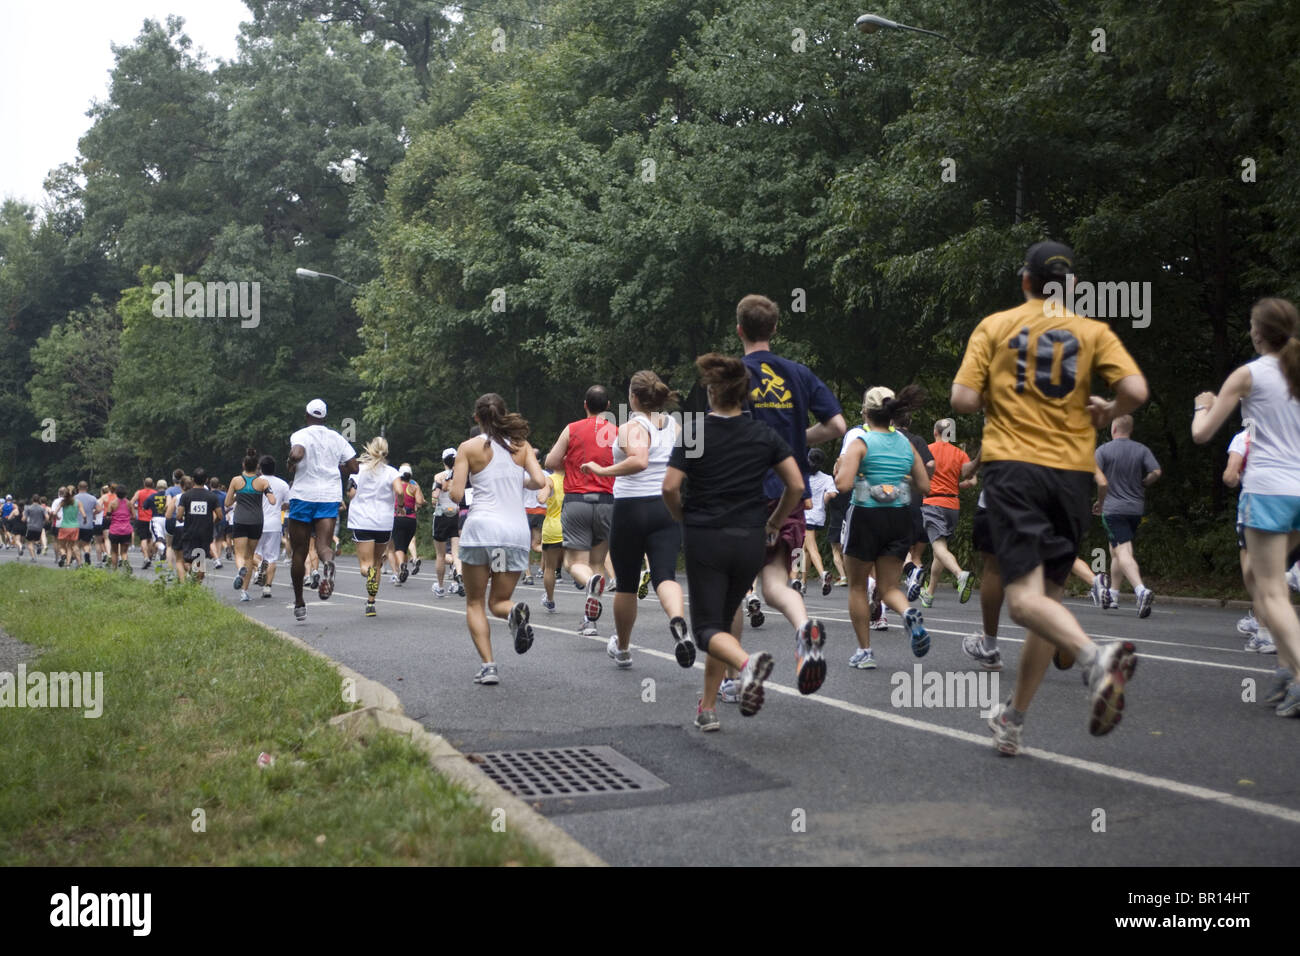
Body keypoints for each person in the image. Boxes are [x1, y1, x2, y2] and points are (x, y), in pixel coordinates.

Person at [951, 240, 1147, 755]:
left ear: (1025, 281)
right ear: (1073, 287)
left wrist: (997, 394)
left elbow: (962, 400)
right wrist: (1105, 408)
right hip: (1073, 478)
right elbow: (1137, 392)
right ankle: (1013, 721)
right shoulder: (1092, 331)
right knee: (1048, 602)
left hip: (1015, 470)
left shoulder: (995, 327)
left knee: (1023, 601)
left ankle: (1093, 657)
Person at [664, 354, 804, 731]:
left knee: (706, 630)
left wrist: (681, 516)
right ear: (744, 396)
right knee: (722, 622)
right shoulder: (764, 434)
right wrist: (774, 521)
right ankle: (707, 708)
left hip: (706, 537)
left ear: (711, 392)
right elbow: (796, 486)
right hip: (750, 539)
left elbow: (670, 487)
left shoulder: (693, 431)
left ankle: (746, 665)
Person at [1191, 297, 1300, 716]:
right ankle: (1287, 670)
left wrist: (1202, 405)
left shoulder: (1249, 374)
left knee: (1268, 588)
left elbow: (1202, 434)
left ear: (1257, 333)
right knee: (1268, 579)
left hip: (1269, 489)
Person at [734, 294, 846, 696]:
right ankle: (803, 629)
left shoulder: (734, 375)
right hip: (789, 491)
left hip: (746, 492)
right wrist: (796, 442)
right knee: (776, 581)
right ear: (776, 328)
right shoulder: (797, 373)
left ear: (739, 329)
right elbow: (836, 424)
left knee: (733, 589)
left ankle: (733, 678)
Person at [579, 370, 694, 670]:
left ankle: (624, 648)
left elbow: (639, 459)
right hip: (665, 508)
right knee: (664, 576)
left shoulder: (631, 426)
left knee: (628, 584)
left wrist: (600, 471)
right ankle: (678, 621)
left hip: (630, 509)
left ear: (633, 397)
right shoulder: (675, 427)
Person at [451, 393, 549, 685]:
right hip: (512, 535)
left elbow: (456, 495)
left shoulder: (468, 448)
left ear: (477, 418)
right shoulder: (522, 447)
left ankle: (489, 666)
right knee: (499, 601)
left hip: (481, 532)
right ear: (504, 414)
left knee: (475, 603)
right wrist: (518, 479)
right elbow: (540, 481)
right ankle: (513, 612)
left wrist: (463, 479)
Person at [837, 387, 933, 670]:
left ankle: (865, 652)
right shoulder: (907, 445)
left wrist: (844, 467)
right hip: (899, 518)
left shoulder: (860, 442)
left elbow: (842, 485)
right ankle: (907, 612)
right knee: (889, 586)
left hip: (866, 516)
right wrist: (900, 477)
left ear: (866, 413)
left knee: (856, 585)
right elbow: (925, 486)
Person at [545, 386, 617, 636]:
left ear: (585, 404)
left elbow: (551, 462)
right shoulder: (617, 432)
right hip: (607, 502)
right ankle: (590, 621)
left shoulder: (572, 428)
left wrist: (572, 462)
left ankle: (590, 584)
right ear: (608, 406)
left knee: (574, 563)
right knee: (597, 562)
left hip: (577, 501)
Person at [286, 400, 359, 623]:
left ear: (307, 415)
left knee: (299, 551)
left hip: (303, 497)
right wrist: (337, 467)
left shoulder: (300, 435)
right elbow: (354, 467)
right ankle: (328, 563)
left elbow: (297, 453)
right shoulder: (337, 437)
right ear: (325, 418)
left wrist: (292, 459)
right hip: (329, 497)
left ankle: (299, 603)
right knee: (323, 546)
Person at [1094, 415, 1161, 617]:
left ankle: (1140, 590)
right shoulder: (1141, 449)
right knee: (1115, 549)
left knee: (1123, 550)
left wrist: (1100, 502)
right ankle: (1113, 594)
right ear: (1129, 430)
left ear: (1114, 429)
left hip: (1113, 508)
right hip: (1135, 509)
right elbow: (1156, 472)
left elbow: (1101, 481)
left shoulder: (1103, 450)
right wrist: (1144, 483)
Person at [1224, 428, 1275, 652]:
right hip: (1290, 501)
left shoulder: (1244, 437)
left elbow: (1230, 476)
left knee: (1253, 571)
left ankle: (1264, 631)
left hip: (1256, 504)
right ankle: (1262, 620)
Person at [919, 420, 979, 607]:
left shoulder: (927, 450)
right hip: (952, 505)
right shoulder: (960, 453)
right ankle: (929, 594)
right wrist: (955, 486)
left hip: (932, 502)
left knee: (938, 546)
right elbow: (972, 481)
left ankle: (960, 575)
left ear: (935, 431)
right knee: (941, 550)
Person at [345, 437, 401, 617]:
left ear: (369, 449)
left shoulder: (357, 471)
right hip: (384, 523)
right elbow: (399, 491)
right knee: (377, 562)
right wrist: (399, 504)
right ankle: (371, 603)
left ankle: (367, 572)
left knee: (366, 564)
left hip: (362, 520)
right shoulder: (392, 472)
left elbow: (350, 494)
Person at [225, 449, 276, 602]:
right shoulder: (262, 482)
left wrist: (237, 496)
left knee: (239, 554)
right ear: (257, 467)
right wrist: (266, 492)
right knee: (249, 555)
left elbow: (227, 502)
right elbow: (272, 501)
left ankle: (240, 569)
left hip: (240, 520)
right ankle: (244, 591)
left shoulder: (236, 481)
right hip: (256, 521)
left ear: (243, 465)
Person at [799, 448, 837, 596]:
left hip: (804, 515)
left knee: (811, 548)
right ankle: (803, 583)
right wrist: (823, 501)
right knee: (805, 550)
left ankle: (822, 574)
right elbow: (832, 493)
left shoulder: (803, 476)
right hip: (818, 516)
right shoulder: (826, 478)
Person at [253, 456, 291, 599]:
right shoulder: (283, 484)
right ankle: (267, 587)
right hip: (275, 524)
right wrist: (279, 506)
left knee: (253, 553)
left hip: (257, 522)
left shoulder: (256, 482)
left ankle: (259, 568)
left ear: (260, 468)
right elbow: (288, 503)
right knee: (272, 557)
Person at [430, 448, 463, 597]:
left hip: (441, 515)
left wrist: (435, 498)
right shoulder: (462, 476)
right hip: (456, 514)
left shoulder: (438, 476)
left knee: (441, 555)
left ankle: (441, 587)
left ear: (443, 461)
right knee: (456, 553)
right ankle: (457, 581)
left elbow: (434, 497)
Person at [388, 463, 423, 586]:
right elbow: (419, 502)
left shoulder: (395, 487)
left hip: (397, 518)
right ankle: (404, 565)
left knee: (398, 547)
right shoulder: (414, 487)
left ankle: (401, 567)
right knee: (405, 547)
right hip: (411, 520)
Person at [539, 466, 565, 612]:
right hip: (572, 525)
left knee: (550, 567)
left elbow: (542, 497)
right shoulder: (573, 479)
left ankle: (550, 600)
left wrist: (541, 495)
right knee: (572, 563)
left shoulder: (550, 480)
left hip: (553, 527)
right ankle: (585, 580)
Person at [105, 484, 135, 570]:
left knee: (114, 551)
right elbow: (134, 516)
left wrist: (113, 517)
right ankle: (125, 562)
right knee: (124, 552)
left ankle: (114, 569)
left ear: (116, 493)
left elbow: (108, 516)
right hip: (126, 530)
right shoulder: (129, 503)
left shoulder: (112, 503)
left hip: (114, 530)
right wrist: (127, 517)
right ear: (125, 494)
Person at [131, 477, 156, 569]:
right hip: (153, 519)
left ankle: (146, 557)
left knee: (143, 539)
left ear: (144, 484)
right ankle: (150, 556)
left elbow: (131, 502)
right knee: (151, 539)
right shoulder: (155, 493)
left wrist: (134, 511)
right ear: (153, 484)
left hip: (142, 518)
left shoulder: (139, 492)